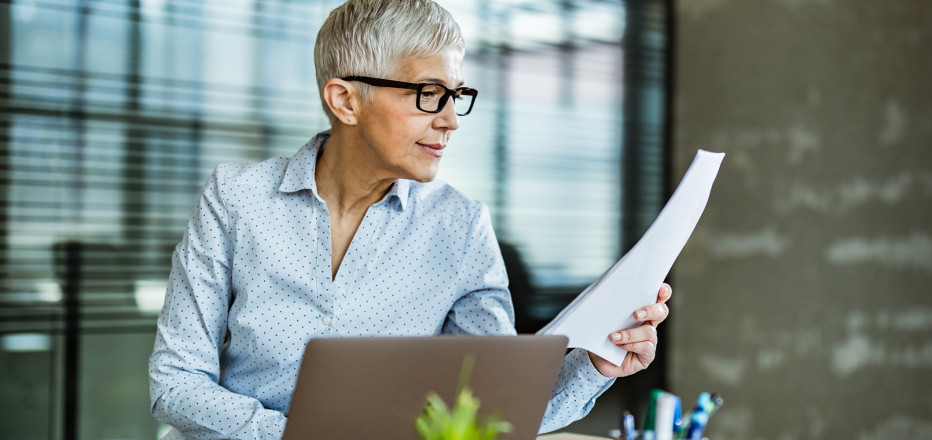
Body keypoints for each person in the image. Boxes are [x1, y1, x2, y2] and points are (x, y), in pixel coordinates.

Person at [146, 0, 672, 438]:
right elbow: (175, 382)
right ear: (345, 101)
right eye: (429, 94)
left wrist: (595, 365)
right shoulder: (238, 199)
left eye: (456, 96)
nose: (450, 120)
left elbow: (496, 410)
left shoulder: (461, 228)